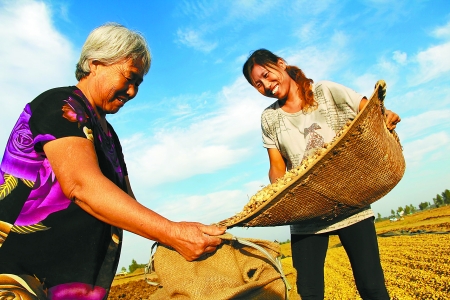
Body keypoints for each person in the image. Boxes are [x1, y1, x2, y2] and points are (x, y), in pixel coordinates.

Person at [0, 23, 225, 300]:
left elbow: (125, 200)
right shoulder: (61, 105)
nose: (131, 92)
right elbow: (82, 186)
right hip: (20, 281)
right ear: (95, 63)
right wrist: (172, 233)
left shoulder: (107, 134)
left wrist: (185, 232)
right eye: (129, 78)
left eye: (138, 84)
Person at [242, 49, 400, 299]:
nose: (266, 86)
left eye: (266, 75)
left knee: (372, 287)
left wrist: (385, 114)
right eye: (258, 85)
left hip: (349, 202)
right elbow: (277, 166)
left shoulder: (325, 92)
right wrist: (277, 194)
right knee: (309, 292)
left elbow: (369, 113)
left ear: (281, 64)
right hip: (306, 212)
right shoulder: (269, 118)